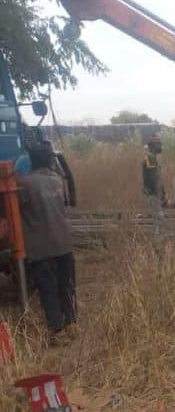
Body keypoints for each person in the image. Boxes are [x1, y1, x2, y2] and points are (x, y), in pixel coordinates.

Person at [18, 146, 76, 341]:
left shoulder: (25, 184)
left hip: (41, 248)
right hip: (64, 244)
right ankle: (71, 323)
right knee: (66, 285)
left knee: (48, 288)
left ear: (31, 161)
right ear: (49, 161)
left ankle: (56, 330)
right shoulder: (57, 180)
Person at [142, 134, 165, 210]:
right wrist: (160, 193)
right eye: (159, 144)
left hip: (152, 192)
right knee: (158, 215)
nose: (161, 145)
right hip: (153, 193)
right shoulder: (150, 157)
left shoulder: (152, 157)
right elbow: (153, 178)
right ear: (154, 145)